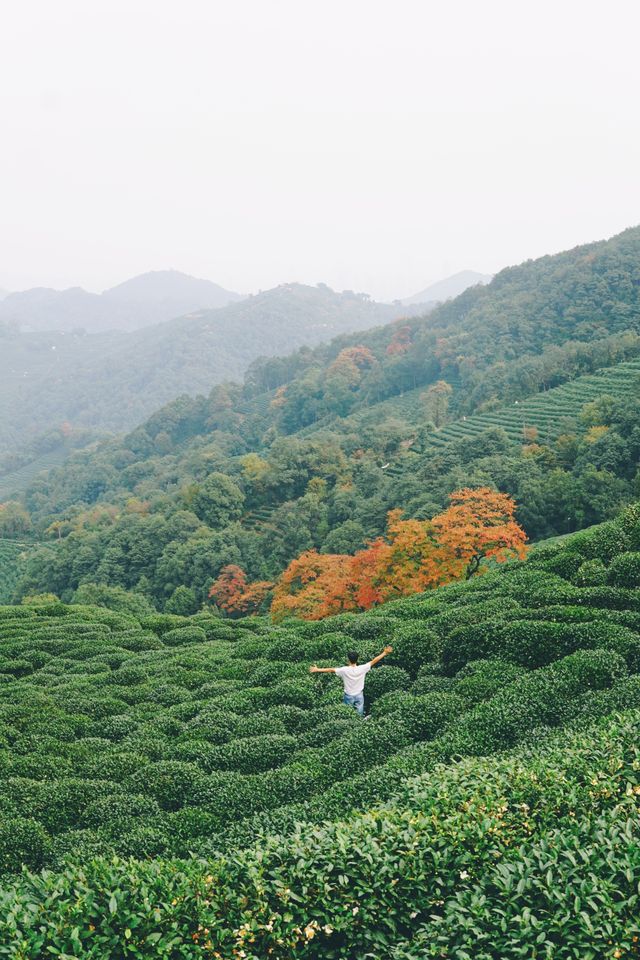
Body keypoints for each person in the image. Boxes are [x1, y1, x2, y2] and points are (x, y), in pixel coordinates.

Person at [309, 645, 393, 716]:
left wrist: (317, 669)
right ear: (357, 659)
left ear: (348, 660)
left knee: (347, 713)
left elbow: (331, 670)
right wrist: (385, 653)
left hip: (348, 696)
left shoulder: (344, 670)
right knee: (359, 714)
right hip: (359, 695)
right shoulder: (362, 668)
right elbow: (374, 660)